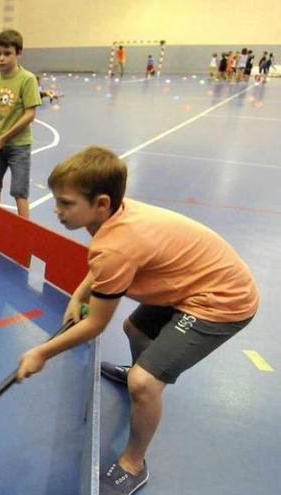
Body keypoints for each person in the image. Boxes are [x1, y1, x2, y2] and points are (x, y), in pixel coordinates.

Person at [15, 145, 258, 495]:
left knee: (144, 384)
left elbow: (96, 324)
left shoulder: (117, 245)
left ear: (101, 203)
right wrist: (79, 294)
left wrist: (41, 353)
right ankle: (140, 371)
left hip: (221, 300)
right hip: (192, 281)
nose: (57, 211)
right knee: (134, 329)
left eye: (66, 203)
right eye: (56, 200)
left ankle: (133, 462)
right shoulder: (115, 215)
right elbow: (102, 261)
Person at [0, 29, 41, 219]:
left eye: (7, 54)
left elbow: (30, 114)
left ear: (19, 53)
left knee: (19, 191)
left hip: (19, 146)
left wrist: (4, 138)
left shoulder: (27, 79)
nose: (1, 58)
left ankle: (25, 232)